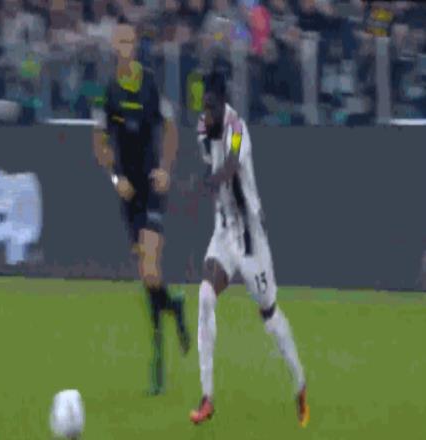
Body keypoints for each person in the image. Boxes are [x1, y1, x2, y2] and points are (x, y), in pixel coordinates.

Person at [189, 72, 310, 427]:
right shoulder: (202, 128)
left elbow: (228, 167)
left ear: (223, 103)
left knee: (269, 314)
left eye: (212, 107)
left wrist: (205, 182)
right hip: (224, 230)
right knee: (205, 297)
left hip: (250, 238)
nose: (207, 114)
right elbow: (209, 163)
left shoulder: (238, 129)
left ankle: (300, 383)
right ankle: (207, 397)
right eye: (203, 106)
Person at [92, 19, 190, 396]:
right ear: (113, 46)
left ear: (135, 45)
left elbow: (171, 129)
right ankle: (174, 307)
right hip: (128, 192)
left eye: (129, 40)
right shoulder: (108, 92)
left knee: (150, 267)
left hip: (151, 186)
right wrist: (115, 178)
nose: (124, 46)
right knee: (148, 278)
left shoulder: (150, 84)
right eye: (119, 41)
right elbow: (100, 143)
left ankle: (158, 362)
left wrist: (165, 169)